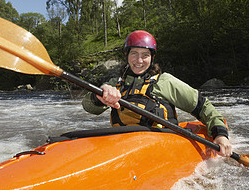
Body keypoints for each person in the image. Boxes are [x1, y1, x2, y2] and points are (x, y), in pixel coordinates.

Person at [82, 30, 232, 157]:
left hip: (161, 148)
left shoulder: (165, 82)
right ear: (127, 55)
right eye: (134, 53)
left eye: (145, 55)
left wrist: (220, 134)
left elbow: (203, 107)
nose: (139, 60)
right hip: (123, 147)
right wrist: (99, 95)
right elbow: (88, 106)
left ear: (152, 58)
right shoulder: (116, 83)